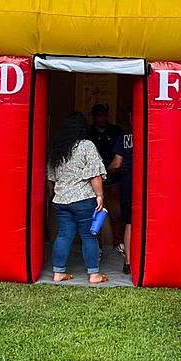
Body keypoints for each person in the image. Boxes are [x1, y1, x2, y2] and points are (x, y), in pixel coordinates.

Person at [46, 112, 109, 284]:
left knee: (64, 235)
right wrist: (100, 195)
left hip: (61, 200)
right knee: (89, 236)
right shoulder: (86, 145)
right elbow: (94, 175)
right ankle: (94, 275)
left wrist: (53, 195)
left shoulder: (58, 147)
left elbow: (50, 177)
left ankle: (58, 273)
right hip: (83, 199)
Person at [88, 103, 124, 245]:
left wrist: (110, 170)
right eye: (99, 116)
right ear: (94, 117)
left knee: (117, 213)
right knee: (96, 214)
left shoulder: (116, 131)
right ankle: (99, 243)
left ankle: (118, 240)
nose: (103, 119)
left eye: (105, 115)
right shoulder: (89, 133)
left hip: (113, 177)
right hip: (94, 180)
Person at [109, 110, 134, 274]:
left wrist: (104, 171)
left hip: (128, 182)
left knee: (130, 222)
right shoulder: (153, 130)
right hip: (152, 184)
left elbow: (117, 164)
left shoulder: (125, 136)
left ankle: (128, 262)